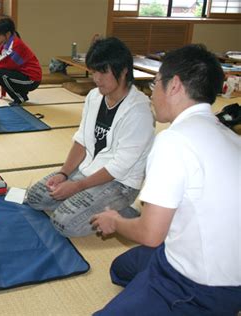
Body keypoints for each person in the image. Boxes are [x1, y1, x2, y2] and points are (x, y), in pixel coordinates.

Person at [91, 44, 241, 315]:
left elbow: (150, 234)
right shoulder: (230, 136)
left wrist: (115, 221)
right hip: (200, 259)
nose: (151, 92)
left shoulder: (173, 141)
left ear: (174, 86)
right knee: (120, 269)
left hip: (197, 286)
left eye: (155, 82)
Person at [26, 37, 154, 237]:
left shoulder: (138, 111)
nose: (96, 78)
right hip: (87, 171)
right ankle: (90, 202)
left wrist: (77, 186)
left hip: (120, 183)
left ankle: (125, 215)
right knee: (35, 197)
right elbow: (82, 140)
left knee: (62, 222)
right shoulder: (94, 97)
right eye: (94, 71)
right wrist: (64, 174)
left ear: (123, 71)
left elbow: (119, 167)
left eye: (103, 72)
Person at [0, 17, 42, 106]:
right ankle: (21, 93)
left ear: (8, 34)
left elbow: (5, 65)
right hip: (22, 75)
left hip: (32, 79)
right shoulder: (3, 47)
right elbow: (3, 66)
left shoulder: (16, 45)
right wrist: (3, 93)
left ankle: (20, 97)